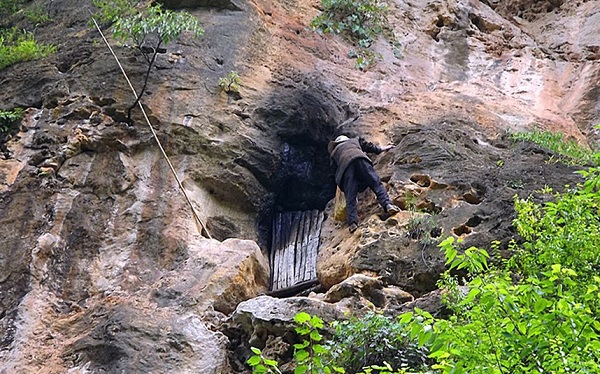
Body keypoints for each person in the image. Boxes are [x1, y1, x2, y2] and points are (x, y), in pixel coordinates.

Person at [328, 135, 400, 233]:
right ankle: (387, 204)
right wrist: (382, 149)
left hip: (346, 168)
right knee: (376, 183)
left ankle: (353, 223)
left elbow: (333, 173)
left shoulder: (334, 153)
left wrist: (343, 187)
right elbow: (368, 147)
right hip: (361, 159)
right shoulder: (355, 141)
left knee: (351, 197)